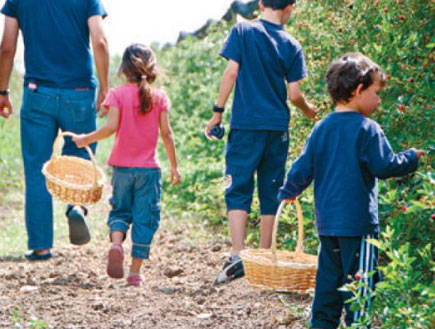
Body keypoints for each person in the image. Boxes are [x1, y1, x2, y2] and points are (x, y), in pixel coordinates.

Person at [278, 52, 425, 329]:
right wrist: (411, 158)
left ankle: (322, 324)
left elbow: (302, 168)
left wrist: (288, 191)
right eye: (376, 93)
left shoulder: (321, 128)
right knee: (360, 291)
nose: (379, 101)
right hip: (359, 227)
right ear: (359, 91)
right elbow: (385, 165)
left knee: (328, 288)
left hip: (328, 226)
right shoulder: (367, 129)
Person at [205, 0, 317, 284]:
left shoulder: (242, 31)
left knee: (238, 185)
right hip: (276, 127)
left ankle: (238, 254)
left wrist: (217, 112)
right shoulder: (292, 44)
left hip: (245, 125)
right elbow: (294, 95)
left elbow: (231, 72)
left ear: (261, 3)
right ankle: (265, 257)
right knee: (272, 188)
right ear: (290, 7)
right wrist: (309, 110)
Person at [0, 0, 109, 260]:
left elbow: (7, 48)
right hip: (80, 91)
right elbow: (100, 41)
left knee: (37, 167)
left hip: (38, 92)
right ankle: (78, 207)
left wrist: (3, 90)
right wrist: (105, 87)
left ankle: (41, 245)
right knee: (81, 156)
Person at [73, 43, 180, 286]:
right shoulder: (160, 96)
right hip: (149, 171)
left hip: (121, 169)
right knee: (145, 218)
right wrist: (174, 166)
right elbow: (167, 134)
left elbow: (111, 128)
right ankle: (134, 273)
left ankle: (117, 243)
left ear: (123, 68)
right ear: (151, 67)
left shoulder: (117, 94)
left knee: (120, 211)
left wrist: (85, 139)